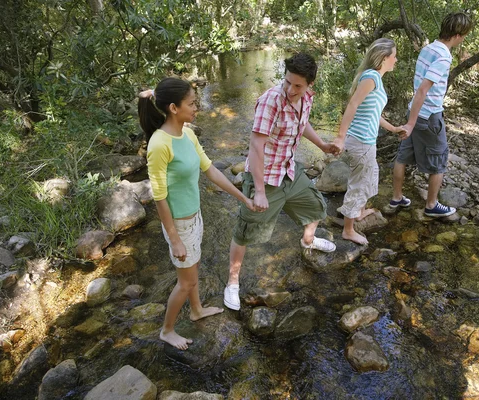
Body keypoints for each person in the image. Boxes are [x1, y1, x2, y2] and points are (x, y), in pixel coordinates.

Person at [138, 77, 255, 350]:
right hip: (179, 224)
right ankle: (167, 330)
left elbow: (211, 171)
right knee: (186, 282)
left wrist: (242, 198)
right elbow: (159, 197)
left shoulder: (188, 134)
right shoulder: (159, 144)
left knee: (194, 271)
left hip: (195, 216)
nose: (197, 107)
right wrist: (174, 238)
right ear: (173, 108)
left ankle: (197, 310)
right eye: (191, 103)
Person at [224, 53, 338, 311]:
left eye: (298, 85)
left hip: (288, 170)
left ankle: (308, 241)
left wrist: (322, 144)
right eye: (287, 82)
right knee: (245, 230)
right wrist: (260, 191)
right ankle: (232, 282)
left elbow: (302, 122)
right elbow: (256, 144)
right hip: (265, 176)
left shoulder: (306, 97)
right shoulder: (271, 101)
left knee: (316, 207)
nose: (290, 89)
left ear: (310, 84)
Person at [391, 12, 473, 217]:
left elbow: (419, 87)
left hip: (415, 110)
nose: (464, 38)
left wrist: (411, 119)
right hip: (428, 116)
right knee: (439, 161)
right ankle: (431, 205)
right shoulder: (444, 56)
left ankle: (397, 198)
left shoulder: (428, 48)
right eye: (464, 35)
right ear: (457, 34)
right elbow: (422, 90)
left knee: (403, 156)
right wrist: (410, 124)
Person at [332, 38, 407, 245]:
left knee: (371, 175)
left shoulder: (376, 79)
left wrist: (393, 128)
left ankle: (360, 211)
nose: (396, 59)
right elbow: (353, 105)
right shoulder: (371, 77)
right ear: (384, 58)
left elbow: (374, 112)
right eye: (394, 55)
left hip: (367, 141)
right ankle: (348, 229)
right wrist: (340, 136)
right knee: (359, 183)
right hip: (360, 141)